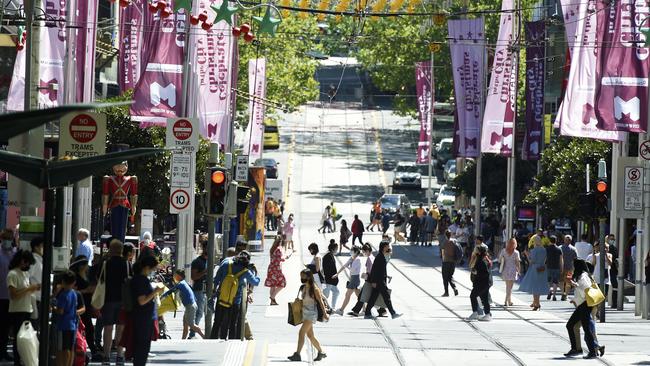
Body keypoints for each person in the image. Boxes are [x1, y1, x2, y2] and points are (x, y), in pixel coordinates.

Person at [211, 251, 260, 340]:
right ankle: (231, 341)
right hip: (235, 300)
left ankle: (213, 340)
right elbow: (256, 282)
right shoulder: (246, 271)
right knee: (233, 323)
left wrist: (214, 292)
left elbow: (216, 279)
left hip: (221, 298)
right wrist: (256, 273)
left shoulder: (226, 263)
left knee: (217, 321)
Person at [564, 259, 603, 359]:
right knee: (571, 325)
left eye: (574, 266)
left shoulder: (583, 276)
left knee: (586, 328)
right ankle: (577, 349)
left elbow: (586, 290)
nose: (573, 268)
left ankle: (592, 351)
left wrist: (574, 284)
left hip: (586, 305)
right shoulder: (583, 276)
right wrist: (575, 299)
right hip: (583, 305)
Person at [287, 269, 328, 362]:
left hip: (311, 314)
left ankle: (297, 354)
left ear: (309, 277)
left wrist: (325, 314)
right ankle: (321, 352)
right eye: (301, 276)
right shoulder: (303, 287)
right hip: (305, 313)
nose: (301, 278)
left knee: (301, 332)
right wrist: (298, 301)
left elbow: (321, 302)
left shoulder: (315, 289)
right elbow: (305, 300)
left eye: (303, 276)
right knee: (310, 335)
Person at [130, 255, 164, 366]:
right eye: (153, 269)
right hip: (143, 318)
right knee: (142, 347)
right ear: (147, 267)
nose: (153, 271)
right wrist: (155, 291)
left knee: (142, 347)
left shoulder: (139, 279)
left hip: (142, 317)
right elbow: (142, 301)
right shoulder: (141, 280)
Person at [101, 240, 129, 364]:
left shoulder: (106, 264)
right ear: (121, 250)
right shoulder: (127, 264)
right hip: (123, 301)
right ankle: (119, 356)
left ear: (110, 250)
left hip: (108, 300)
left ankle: (106, 357)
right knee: (120, 329)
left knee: (108, 329)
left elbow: (99, 280)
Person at [7, 250, 38, 366]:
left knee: (25, 338)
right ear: (21, 260)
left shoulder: (25, 273)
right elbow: (13, 295)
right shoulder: (12, 274)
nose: (27, 265)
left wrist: (32, 289)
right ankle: (17, 361)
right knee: (18, 338)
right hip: (17, 310)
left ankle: (23, 359)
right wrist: (29, 289)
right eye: (26, 262)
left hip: (26, 308)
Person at [163, 269, 205, 339]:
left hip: (190, 306)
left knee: (191, 324)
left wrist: (162, 296)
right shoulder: (184, 283)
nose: (174, 277)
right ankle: (183, 340)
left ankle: (204, 337)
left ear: (179, 276)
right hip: (190, 306)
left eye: (175, 275)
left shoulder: (181, 284)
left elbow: (171, 291)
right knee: (185, 325)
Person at [364, 242, 401, 319]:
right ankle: (393, 313)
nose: (388, 247)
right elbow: (374, 270)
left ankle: (367, 313)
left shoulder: (381, 256)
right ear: (384, 247)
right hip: (379, 281)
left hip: (380, 281)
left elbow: (381, 270)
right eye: (387, 246)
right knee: (386, 297)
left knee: (374, 297)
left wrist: (386, 276)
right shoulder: (379, 257)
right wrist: (373, 281)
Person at [54, 270, 81, 366]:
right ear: (74, 282)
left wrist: (53, 308)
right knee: (69, 349)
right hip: (72, 325)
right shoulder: (74, 293)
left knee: (61, 350)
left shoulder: (63, 295)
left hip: (62, 325)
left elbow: (60, 311)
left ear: (62, 282)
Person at [519, 236, 548, 310]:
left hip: (535, 268)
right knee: (539, 286)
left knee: (534, 286)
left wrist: (527, 255)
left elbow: (531, 261)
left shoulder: (534, 250)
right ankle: (536, 303)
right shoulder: (544, 250)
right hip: (542, 268)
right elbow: (545, 259)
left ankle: (537, 304)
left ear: (535, 242)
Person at [0, 230, 16, 362]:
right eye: (5, 238)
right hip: (0, 295)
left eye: (9, 238)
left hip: (10, 297)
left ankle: (3, 351)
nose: (7, 240)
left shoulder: (15, 254)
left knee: (6, 327)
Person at [332, 246, 362, 315]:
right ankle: (364, 309)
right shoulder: (352, 258)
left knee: (347, 294)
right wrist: (337, 274)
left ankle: (341, 310)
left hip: (355, 278)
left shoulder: (357, 259)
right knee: (360, 296)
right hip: (352, 278)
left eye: (352, 250)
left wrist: (348, 266)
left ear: (356, 252)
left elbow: (352, 270)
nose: (350, 252)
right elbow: (344, 265)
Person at [467, 245, 492, 321]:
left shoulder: (481, 261)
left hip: (481, 283)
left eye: (475, 250)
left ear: (479, 252)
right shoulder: (481, 259)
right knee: (484, 298)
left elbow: (485, 273)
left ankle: (475, 312)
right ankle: (487, 314)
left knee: (473, 296)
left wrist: (476, 272)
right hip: (484, 283)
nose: (474, 251)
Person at [189, 241, 208, 339]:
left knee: (206, 312)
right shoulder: (197, 262)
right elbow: (193, 277)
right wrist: (204, 272)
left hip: (207, 291)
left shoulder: (209, 261)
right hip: (198, 290)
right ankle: (192, 333)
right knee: (199, 312)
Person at [265, 236, 289, 306]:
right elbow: (279, 259)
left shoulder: (272, 249)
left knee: (273, 285)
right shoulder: (278, 249)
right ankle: (272, 297)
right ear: (281, 242)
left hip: (271, 268)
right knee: (282, 283)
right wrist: (285, 257)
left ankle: (272, 301)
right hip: (276, 269)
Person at [499, 238, 521, 306]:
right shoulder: (516, 252)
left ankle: (509, 301)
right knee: (510, 287)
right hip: (513, 270)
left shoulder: (503, 251)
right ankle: (506, 301)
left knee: (507, 287)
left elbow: (499, 260)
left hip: (505, 269)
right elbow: (517, 263)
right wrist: (519, 270)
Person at [28, 237, 43, 326]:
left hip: (40, 297)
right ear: (36, 247)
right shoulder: (34, 260)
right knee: (33, 325)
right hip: (35, 298)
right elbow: (27, 277)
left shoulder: (40, 260)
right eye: (42, 246)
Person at [321, 242, 339, 311]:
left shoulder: (330, 255)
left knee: (336, 292)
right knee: (325, 295)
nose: (337, 250)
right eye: (336, 249)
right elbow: (326, 268)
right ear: (332, 249)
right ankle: (323, 307)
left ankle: (332, 307)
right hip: (328, 279)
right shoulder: (327, 257)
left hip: (331, 279)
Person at [441, 231, 459, 297]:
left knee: (445, 277)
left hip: (446, 261)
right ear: (450, 235)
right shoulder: (454, 241)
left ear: (445, 235)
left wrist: (443, 259)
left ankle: (446, 292)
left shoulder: (444, 242)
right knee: (450, 276)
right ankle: (454, 288)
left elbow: (442, 252)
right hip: (453, 262)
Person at [546, 236, 564, 301]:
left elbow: (545, 258)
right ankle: (554, 296)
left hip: (548, 266)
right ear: (556, 241)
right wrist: (562, 267)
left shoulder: (547, 248)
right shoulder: (559, 249)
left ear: (550, 241)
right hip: (556, 267)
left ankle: (549, 291)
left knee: (549, 281)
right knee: (555, 282)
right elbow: (561, 260)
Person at [560, 235, 578, 301]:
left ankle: (563, 293)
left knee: (561, 281)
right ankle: (566, 294)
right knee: (568, 281)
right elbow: (576, 258)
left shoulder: (560, 248)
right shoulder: (573, 249)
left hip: (561, 267)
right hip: (570, 267)